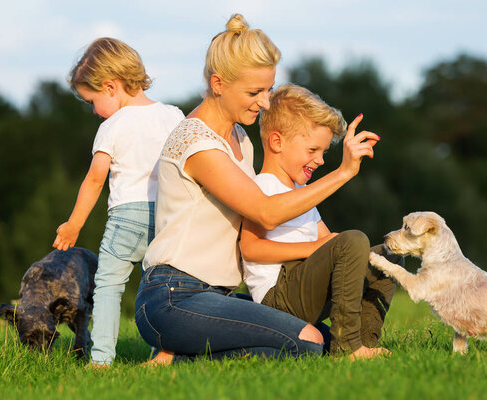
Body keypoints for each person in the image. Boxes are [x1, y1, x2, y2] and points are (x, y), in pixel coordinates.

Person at [135, 14, 380, 365]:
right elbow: (265, 211)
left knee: (325, 340)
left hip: (218, 297)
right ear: (218, 84)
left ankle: (178, 351)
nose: (265, 102)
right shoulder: (197, 143)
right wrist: (342, 173)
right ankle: (176, 358)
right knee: (307, 342)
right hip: (174, 297)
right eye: (254, 92)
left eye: (268, 89)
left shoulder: (239, 140)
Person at [52, 37, 185, 367]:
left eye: (91, 101)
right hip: (170, 217)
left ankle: (101, 360)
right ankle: (165, 353)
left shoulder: (112, 126)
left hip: (127, 217)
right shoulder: (173, 115)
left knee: (108, 286)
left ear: (111, 86)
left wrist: (74, 224)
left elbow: (95, 179)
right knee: (165, 289)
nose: (93, 110)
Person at [240, 83, 397, 358]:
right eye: (312, 150)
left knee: (387, 257)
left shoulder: (301, 193)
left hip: (304, 288)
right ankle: (346, 347)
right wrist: (315, 249)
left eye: (323, 152)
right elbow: (250, 249)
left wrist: (336, 248)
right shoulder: (263, 187)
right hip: (277, 297)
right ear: (277, 142)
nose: (321, 160)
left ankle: (365, 342)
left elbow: (328, 241)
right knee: (355, 239)